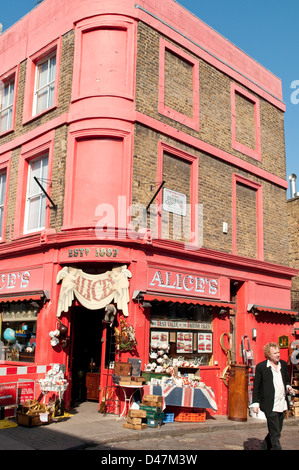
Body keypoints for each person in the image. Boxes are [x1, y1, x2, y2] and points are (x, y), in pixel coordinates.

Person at [250, 342, 295, 450]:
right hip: (269, 404)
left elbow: (286, 380)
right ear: (268, 355)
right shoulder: (262, 367)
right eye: (275, 353)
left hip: (281, 403)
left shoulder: (283, 365)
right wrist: (255, 403)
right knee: (275, 435)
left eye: (278, 352)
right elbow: (256, 387)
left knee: (276, 431)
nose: (278, 355)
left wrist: (288, 387)